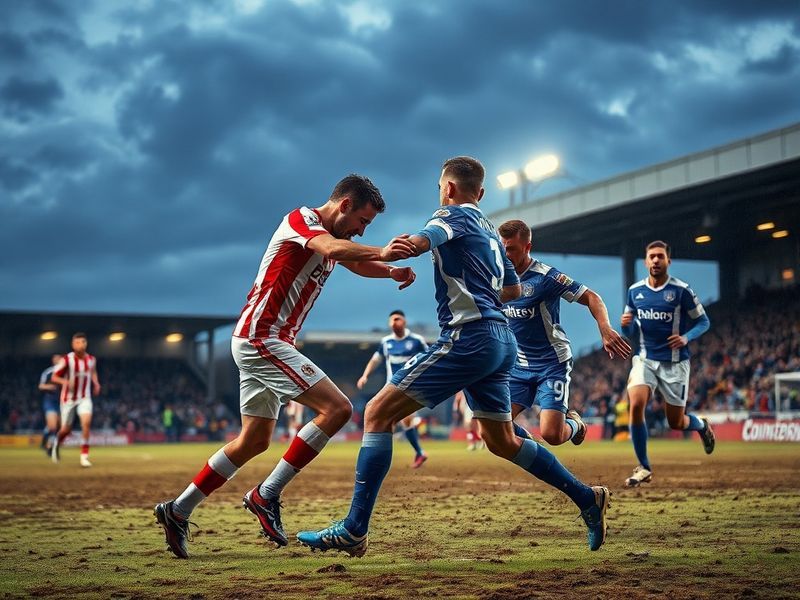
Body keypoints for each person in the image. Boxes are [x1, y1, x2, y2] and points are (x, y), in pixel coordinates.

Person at [297, 156, 610, 556]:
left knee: (376, 413)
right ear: (480, 192)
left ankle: (355, 529)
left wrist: (403, 248)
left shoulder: (451, 215)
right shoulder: (493, 233)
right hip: (501, 341)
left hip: (469, 337)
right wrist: (478, 286)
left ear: (447, 188)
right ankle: (587, 498)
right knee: (502, 441)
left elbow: (425, 240)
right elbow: (513, 291)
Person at [154, 174, 417, 559]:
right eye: (362, 221)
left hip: (265, 341)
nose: (361, 230)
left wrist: (388, 271)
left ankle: (177, 510)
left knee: (255, 440)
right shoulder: (302, 220)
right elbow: (334, 249)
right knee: (339, 409)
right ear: (344, 204)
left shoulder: (336, 240)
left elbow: (349, 259)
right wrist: (383, 251)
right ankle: (266, 494)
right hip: (262, 339)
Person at [498, 220, 631, 445]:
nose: (505, 254)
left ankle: (576, 424)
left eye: (511, 249)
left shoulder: (546, 277)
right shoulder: (497, 277)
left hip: (551, 363)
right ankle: (532, 449)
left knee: (552, 435)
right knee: (497, 423)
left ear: (527, 247)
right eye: (502, 248)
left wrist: (605, 327)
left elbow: (591, 297)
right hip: (519, 366)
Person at [621, 240, 715, 487]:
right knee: (636, 403)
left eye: (660, 256)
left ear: (668, 261)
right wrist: (625, 324)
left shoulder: (682, 290)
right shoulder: (635, 291)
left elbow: (703, 322)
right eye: (651, 256)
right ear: (645, 261)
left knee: (677, 421)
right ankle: (644, 467)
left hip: (675, 364)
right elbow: (630, 328)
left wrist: (686, 337)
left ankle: (701, 425)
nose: (655, 260)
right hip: (646, 359)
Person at [357, 310, 429, 467]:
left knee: (394, 418)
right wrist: (365, 375)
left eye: (397, 319)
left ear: (404, 321)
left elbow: (430, 357)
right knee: (394, 418)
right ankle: (418, 451)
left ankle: (377, 454)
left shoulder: (416, 340)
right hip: (391, 386)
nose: (393, 323)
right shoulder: (386, 341)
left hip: (411, 385)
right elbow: (375, 360)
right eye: (391, 320)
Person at [50, 334, 100, 468]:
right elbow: (54, 377)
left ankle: (84, 457)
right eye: (76, 343)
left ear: (86, 344)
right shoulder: (67, 359)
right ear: (73, 345)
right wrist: (66, 381)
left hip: (85, 397)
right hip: (68, 398)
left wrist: (96, 383)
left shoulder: (91, 359)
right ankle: (56, 444)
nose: (79, 345)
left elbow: (93, 372)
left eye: (81, 342)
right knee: (66, 429)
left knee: (86, 423)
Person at [38, 354, 62, 455]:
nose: (58, 360)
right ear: (53, 361)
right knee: (52, 426)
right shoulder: (48, 372)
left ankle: (50, 446)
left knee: (60, 427)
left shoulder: (67, 373)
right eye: (56, 359)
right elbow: (41, 386)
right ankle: (47, 444)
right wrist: (50, 387)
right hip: (50, 402)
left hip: (62, 402)